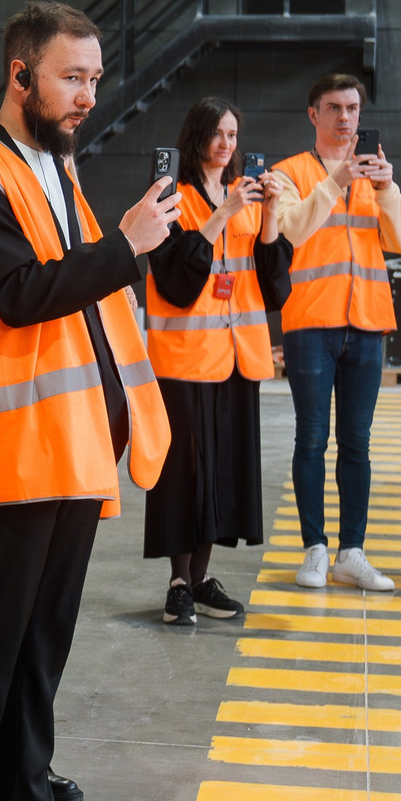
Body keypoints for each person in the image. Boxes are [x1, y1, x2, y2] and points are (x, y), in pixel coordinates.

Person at [0, 3, 175, 801]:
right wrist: (126, 247)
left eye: (95, 78)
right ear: (20, 76)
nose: (87, 94)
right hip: (17, 446)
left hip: (73, 446)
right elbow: (23, 296)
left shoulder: (56, 167)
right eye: (73, 76)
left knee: (41, 643)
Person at [267, 74, 401, 595]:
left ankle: (352, 552)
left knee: (357, 443)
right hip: (311, 323)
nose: (345, 118)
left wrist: (386, 188)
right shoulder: (289, 173)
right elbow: (292, 230)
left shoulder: (374, 179)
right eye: (333, 108)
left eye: (352, 108)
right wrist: (336, 182)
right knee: (311, 438)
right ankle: (315, 547)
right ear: (314, 115)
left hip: (368, 324)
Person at [144, 98, 281, 626]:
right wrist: (224, 213)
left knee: (221, 474)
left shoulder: (246, 196)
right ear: (196, 136)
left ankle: (201, 580)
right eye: (217, 133)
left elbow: (273, 286)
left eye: (233, 133)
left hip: (237, 358)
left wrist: (267, 218)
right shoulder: (170, 198)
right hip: (183, 359)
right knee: (184, 474)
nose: (227, 144)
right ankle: (178, 582)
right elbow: (176, 280)